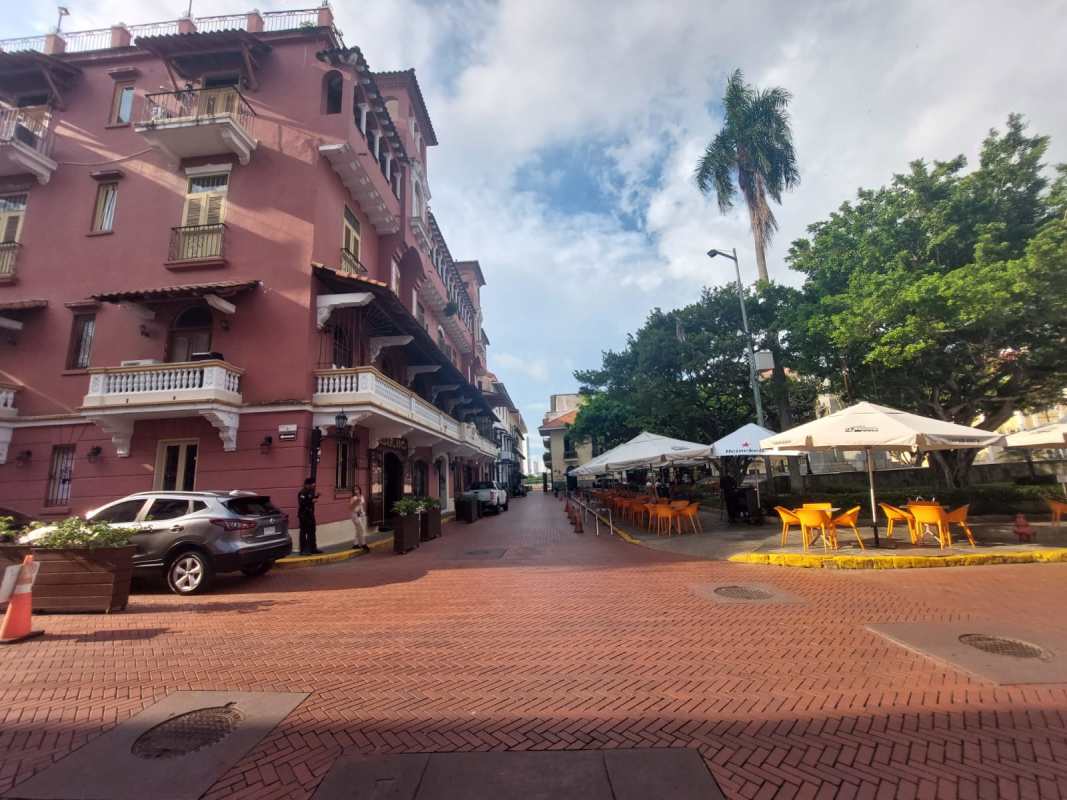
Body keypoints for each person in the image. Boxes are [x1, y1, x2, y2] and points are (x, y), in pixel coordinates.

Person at [297, 478, 321, 555]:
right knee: (304, 532)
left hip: (310, 515)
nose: (314, 486)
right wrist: (311, 501)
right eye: (312, 484)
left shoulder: (310, 492)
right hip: (304, 516)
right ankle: (303, 550)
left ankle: (313, 548)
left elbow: (311, 499)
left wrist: (316, 496)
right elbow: (302, 503)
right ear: (307, 484)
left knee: (312, 532)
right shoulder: (302, 493)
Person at [350, 485, 369, 552]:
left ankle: (355, 544)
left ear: (359, 490)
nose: (356, 491)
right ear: (353, 491)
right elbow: (351, 507)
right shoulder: (353, 498)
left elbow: (362, 506)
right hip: (355, 515)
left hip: (361, 515)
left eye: (357, 489)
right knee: (361, 529)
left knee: (358, 530)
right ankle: (364, 544)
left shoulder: (362, 496)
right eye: (355, 490)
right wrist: (357, 501)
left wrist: (363, 513)